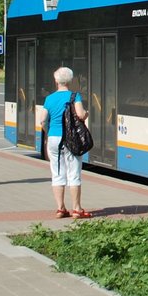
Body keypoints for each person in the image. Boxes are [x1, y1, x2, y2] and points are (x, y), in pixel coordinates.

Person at [41, 66, 93, 219]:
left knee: (57, 173)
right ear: (70, 81)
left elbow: (43, 120)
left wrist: (49, 132)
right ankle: (76, 209)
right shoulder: (74, 96)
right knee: (74, 173)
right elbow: (81, 114)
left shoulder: (49, 99)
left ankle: (60, 208)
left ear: (56, 81)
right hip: (72, 139)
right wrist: (86, 114)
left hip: (53, 139)